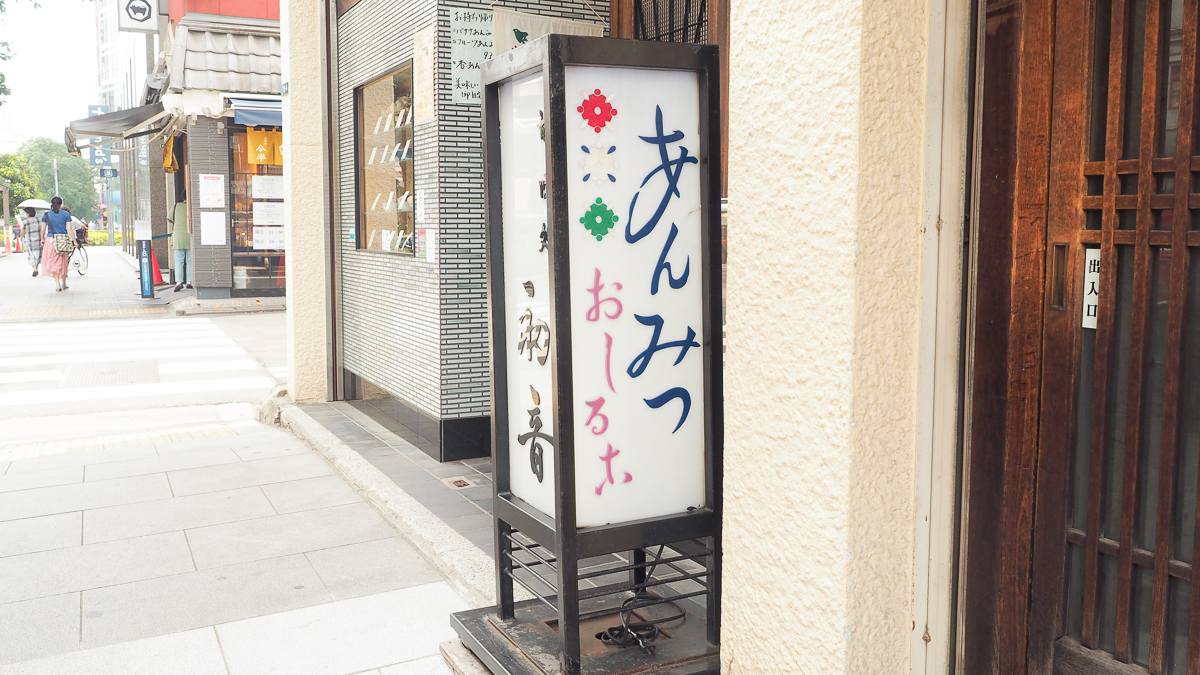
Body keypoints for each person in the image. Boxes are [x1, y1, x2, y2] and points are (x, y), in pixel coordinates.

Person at [40, 197, 75, 291]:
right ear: (61, 204)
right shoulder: (66, 214)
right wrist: (74, 241)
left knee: (53, 262)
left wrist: (42, 238)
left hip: (51, 240)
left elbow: (43, 229)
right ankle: (64, 282)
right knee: (63, 262)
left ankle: (57, 284)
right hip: (63, 240)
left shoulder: (46, 215)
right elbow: (70, 229)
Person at [169, 191, 192, 292]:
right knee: (190, 261)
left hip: (178, 237)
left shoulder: (176, 206)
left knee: (179, 261)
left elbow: (169, 219)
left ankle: (179, 282)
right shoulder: (192, 207)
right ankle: (189, 282)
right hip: (190, 236)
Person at [18, 207, 42, 277]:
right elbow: (42, 228)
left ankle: (34, 269)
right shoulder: (39, 220)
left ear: (28, 213)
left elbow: (22, 231)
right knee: (37, 254)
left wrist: (21, 237)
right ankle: (36, 268)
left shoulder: (26, 222)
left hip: (29, 240)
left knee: (31, 254)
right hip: (38, 239)